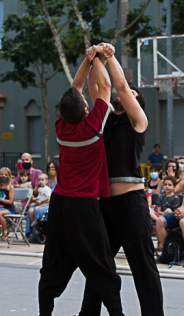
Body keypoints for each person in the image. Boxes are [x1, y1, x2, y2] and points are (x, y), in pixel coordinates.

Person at [78, 43, 163, 316]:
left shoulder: (138, 122)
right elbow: (97, 90)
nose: (121, 96)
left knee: (142, 266)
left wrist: (110, 56)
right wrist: (93, 60)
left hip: (131, 203)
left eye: (130, 96)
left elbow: (123, 87)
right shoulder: (105, 120)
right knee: (99, 266)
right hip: (105, 204)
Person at [39, 49, 124, 316]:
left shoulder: (61, 127)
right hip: (83, 207)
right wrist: (99, 56)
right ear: (86, 109)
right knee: (100, 263)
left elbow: (74, 88)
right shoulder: (91, 128)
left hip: (59, 204)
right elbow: (107, 86)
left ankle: (45, 313)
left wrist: (87, 60)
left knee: (53, 262)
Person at [26, 174, 52, 240]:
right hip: (39, 202)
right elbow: (39, 196)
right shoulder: (40, 189)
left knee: (36, 209)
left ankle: (35, 220)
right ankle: (32, 224)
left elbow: (48, 198)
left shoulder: (47, 189)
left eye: (42, 180)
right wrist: (35, 199)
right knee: (30, 210)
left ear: (46, 181)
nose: (40, 181)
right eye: (39, 180)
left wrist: (40, 201)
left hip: (45, 203)